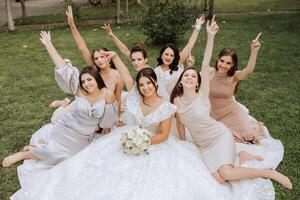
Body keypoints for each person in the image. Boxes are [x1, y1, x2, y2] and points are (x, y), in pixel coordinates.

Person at [10, 61, 230, 200]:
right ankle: (39, 153)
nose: (145, 87)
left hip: (154, 144)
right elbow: (125, 84)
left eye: (148, 83)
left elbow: (163, 135)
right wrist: (126, 130)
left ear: (155, 83)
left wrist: (144, 142)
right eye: (141, 84)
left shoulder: (167, 106)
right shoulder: (135, 99)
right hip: (128, 135)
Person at [171, 17, 292, 197]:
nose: (189, 77)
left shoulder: (202, 94)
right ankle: (241, 156)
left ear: (198, 82)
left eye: (193, 76)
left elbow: (205, 62)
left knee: (226, 173)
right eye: (186, 76)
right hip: (203, 145)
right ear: (180, 81)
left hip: (219, 135)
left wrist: (210, 35)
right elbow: (180, 124)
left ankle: (268, 172)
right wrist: (183, 142)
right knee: (218, 178)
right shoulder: (176, 101)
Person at [2, 31, 117, 168]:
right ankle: (26, 154)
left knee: (66, 159)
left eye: (89, 80)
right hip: (66, 127)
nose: (87, 84)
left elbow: (108, 122)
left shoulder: (107, 94)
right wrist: (49, 45)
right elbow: (63, 67)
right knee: (54, 153)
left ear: (96, 79)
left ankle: (40, 148)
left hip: (84, 136)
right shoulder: (80, 90)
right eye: (83, 81)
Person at [209, 33, 265, 144]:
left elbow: (248, 70)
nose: (224, 65)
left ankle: (251, 126)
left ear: (233, 64)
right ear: (217, 59)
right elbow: (192, 79)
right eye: (222, 61)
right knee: (224, 139)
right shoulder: (209, 72)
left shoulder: (234, 76)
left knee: (249, 137)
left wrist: (254, 51)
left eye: (228, 63)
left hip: (233, 112)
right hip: (217, 116)